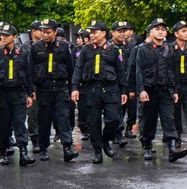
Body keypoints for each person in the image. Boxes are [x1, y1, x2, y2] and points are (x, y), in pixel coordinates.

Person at [72, 21, 128, 163]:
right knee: (94, 122)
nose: (92, 35)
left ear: (103, 33)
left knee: (114, 119)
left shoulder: (114, 49)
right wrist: (74, 88)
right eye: (90, 32)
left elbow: (121, 71)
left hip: (110, 88)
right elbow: (78, 69)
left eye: (95, 32)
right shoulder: (86, 50)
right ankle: (98, 151)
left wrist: (124, 91)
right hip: (91, 89)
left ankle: (105, 140)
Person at [136, 19, 187, 163]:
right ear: (151, 31)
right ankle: (147, 146)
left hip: (166, 90)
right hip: (149, 90)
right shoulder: (143, 49)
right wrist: (141, 90)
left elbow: (174, 71)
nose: (160, 31)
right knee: (149, 120)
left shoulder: (169, 49)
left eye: (163, 29)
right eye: (157, 29)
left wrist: (176, 90)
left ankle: (172, 149)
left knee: (168, 118)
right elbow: (139, 71)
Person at [0, 23, 36, 167]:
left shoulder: (23, 54)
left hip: (19, 93)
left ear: (14, 37)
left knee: (20, 123)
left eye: (7, 36)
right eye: (2, 35)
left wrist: (30, 94)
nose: (3, 38)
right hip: (2, 94)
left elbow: (29, 75)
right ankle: (4, 153)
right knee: (3, 125)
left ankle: (24, 153)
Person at [31, 19, 78, 162]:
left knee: (63, 118)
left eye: (48, 32)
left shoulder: (64, 47)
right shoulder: (36, 47)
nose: (45, 35)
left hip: (60, 88)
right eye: (43, 32)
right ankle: (43, 148)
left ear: (55, 32)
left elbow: (70, 69)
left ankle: (67, 148)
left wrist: (72, 89)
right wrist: (32, 89)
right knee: (43, 120)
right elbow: (31, 70)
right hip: (43, 89)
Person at [111, 21, 137, 145]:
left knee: (132, 108)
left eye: (124, 31)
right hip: (114, 83)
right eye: (119, 32)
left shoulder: (131, 46)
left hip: (129, 81)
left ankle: (129, 128)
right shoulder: (109, 47)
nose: (122, 34)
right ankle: (117, 133)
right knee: (117, 109)